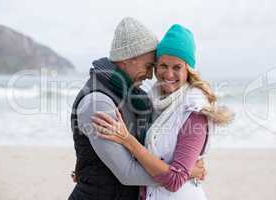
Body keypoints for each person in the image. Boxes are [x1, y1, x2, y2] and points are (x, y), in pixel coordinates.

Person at [68, 18, 205, 200]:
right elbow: (128, 173)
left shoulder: (134, 96)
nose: (150, 75)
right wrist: (186, 173)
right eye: (149, 66)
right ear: (128, 59)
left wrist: (182, 166)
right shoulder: (98, 102)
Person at [93, 24, 233, 199]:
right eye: (163, 65)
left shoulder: (194, 111)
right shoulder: (155, 102)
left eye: (177, 67)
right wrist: (88, 169)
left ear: (188, 70)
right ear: (155, 67)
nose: (168, 74)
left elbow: (175, 180)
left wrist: (127, 140)